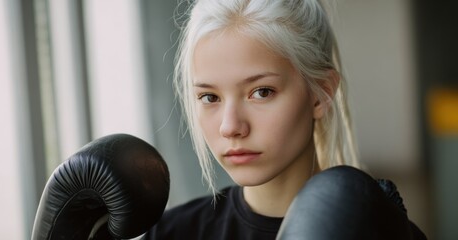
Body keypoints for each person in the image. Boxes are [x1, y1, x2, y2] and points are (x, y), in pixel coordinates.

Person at [145, 0, 426, 239]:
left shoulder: (382, 231)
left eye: (261, 92)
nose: (230, 127)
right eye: (209, 97)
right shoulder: (172, 232)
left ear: (321, 94)